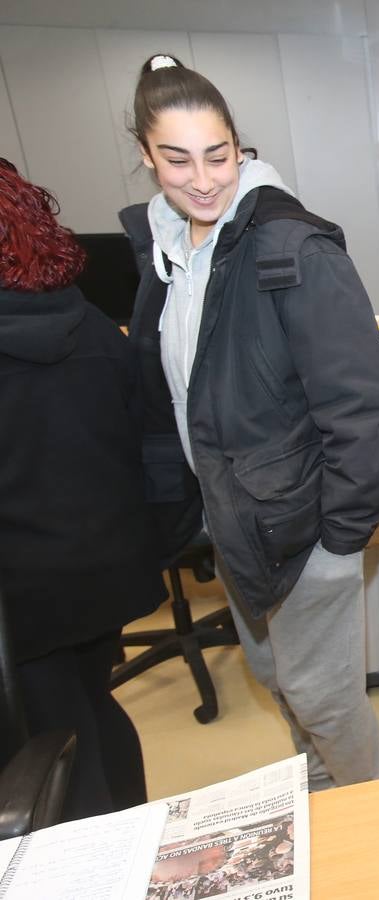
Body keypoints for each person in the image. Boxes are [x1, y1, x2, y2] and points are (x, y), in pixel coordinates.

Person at [123, 54, 379, 789]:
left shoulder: (290, 247)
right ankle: (322, 789)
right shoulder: (170, 251)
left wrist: (342, 541)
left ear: (241, 145)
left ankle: (372, 822)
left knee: (323, 696)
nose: (204, 178)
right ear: (146, 156)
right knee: (276, 675)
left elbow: (362, 402)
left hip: (304, 522)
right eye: (177, 159)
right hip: (238, 517)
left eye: (220, 154)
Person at [0, 159, 165, 822]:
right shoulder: (92, 323)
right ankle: (132, 835)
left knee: (46, 748)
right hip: (106, 567)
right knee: (93, 707)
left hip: (24, 590)